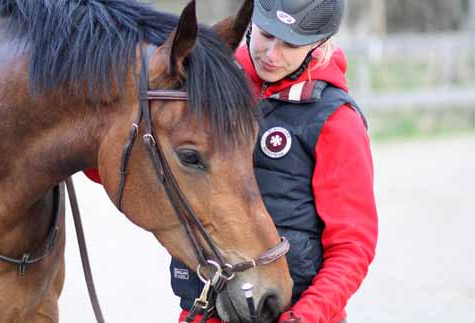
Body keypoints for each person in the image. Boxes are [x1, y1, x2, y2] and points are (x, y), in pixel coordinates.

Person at [85, 0, 377, 322]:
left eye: (290, 44)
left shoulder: (336, 122)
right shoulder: (207, 84)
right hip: (201, 311)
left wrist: (306, 316)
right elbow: (151, 164)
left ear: (318, 44)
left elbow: (352, 245)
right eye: (266, 34)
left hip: (286, 312)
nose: (271, 53)